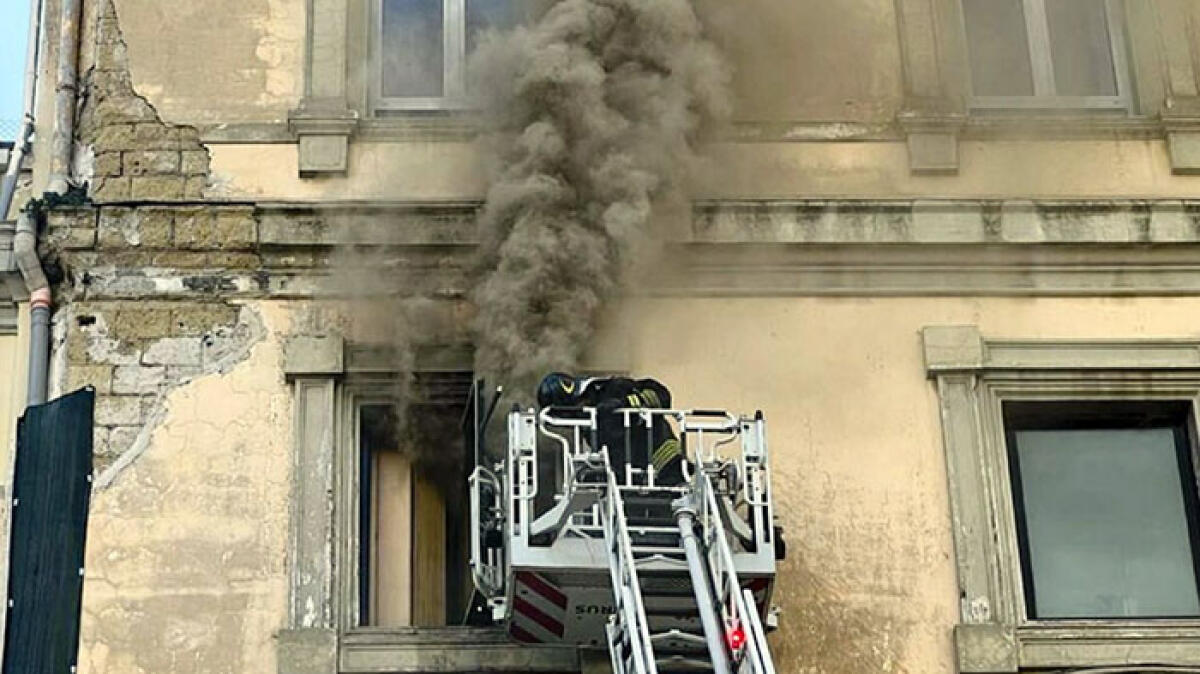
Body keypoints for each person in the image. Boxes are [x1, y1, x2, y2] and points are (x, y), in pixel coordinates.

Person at [537, 372, 686, 485]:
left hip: (667, 465)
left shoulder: (616, 388)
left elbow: (662, 396)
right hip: (636, 481)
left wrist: (627, 404)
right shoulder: (589, 421)